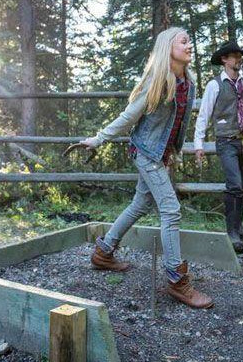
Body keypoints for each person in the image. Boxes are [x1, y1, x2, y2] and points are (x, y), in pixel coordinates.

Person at [77, 27, 214, 309]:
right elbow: (129, 116)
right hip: (145, 153)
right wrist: (99, 138)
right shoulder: (158, 81)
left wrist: (172, 152)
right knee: (171, 210)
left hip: (159, 154)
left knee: (140, 204)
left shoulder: (188, 83)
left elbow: (177, 125)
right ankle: (177, 278)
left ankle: (104, 251)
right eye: (184, 41)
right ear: (168, 47)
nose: (190, 45)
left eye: (190, 41)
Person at [193, 41, 243, 253]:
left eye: (240, 55)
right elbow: (204, 115)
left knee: (242, 185)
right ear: (224, 59)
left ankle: (238, 227)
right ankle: (231, 232)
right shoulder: (215, 85)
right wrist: (199, 144)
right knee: (233, 184)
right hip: (225, 141)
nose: (239, 59)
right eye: (234, 55)